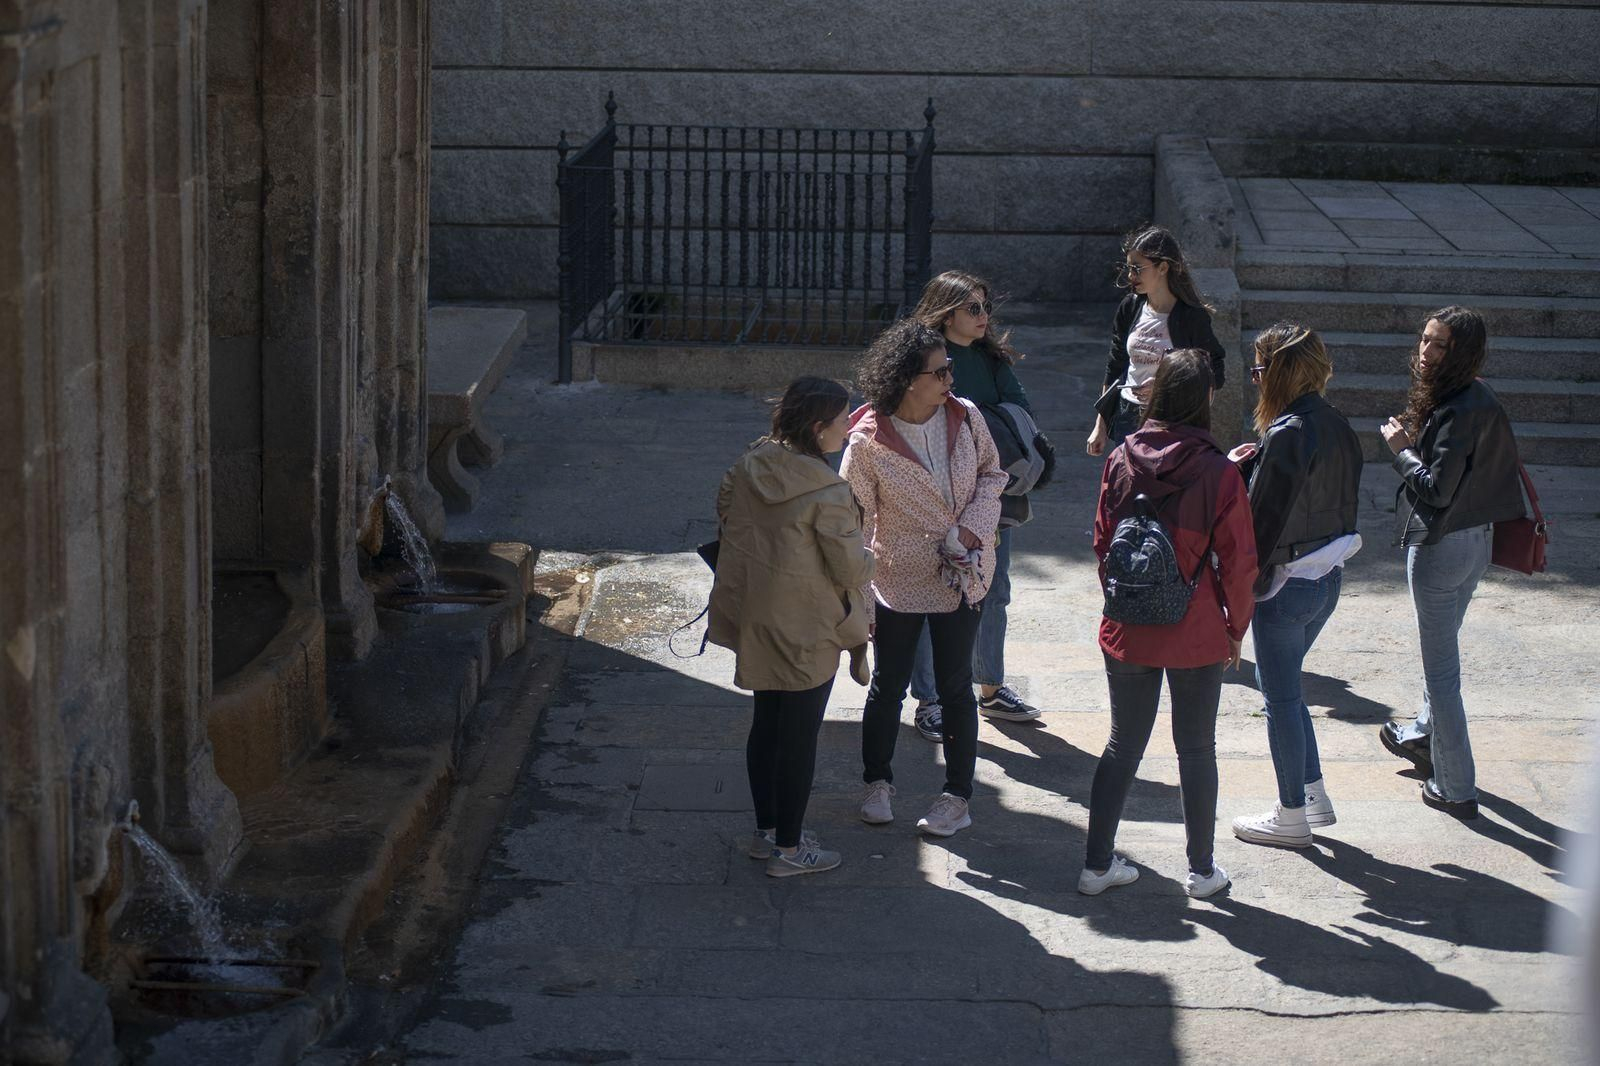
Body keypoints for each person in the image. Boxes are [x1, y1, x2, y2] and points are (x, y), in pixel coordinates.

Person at [1080, 348, 1257, 898]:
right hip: (1197, 625)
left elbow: (1102, 541)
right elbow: (1240, 561)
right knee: (1196, 748)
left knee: (1121, 746)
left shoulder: (1120, 458)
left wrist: (1126, 596)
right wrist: (1236, 628)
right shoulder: (1221, 471)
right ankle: (1202, 871)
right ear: (1206, 398)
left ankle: (1096, 864)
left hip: (1129, 623)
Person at [842, 319, 1007, 837]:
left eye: (949, 368)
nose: (949, 379)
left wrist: (972, 532)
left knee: (956, 687)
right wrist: (860, 596)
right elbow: (855, 522)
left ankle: (956, 797)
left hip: (963, 573)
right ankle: (877, 784)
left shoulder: (967, 416)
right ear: (909, 379)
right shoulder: (867, 440)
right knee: (888, 685)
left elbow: (992, 477)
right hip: (896, 578)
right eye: (940, 371)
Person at [708, 377, 876, 877]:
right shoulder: (828, 491)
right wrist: (873, 558)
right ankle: (790, 849)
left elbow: (724, 515)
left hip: (758, 613)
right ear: (818, 427)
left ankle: (766, 832)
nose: (848, 430)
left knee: (767, 725)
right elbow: (848, 570)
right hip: (808, 625)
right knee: (800, 737)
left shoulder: (749, 463)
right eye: (843, 420)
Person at [1378, 306, 1526, 820]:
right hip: (1477, 541)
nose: (1425, 352)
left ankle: (1457, 786)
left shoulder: (1460, 407)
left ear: (1461, 353)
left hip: (1443, 547)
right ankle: (1422, 735)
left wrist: (1401, 451)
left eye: (1439, 345)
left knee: (1442, 673)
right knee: (1441, 653)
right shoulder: (1478, 397)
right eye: (1423, 340)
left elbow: (1437, 490)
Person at [1226, 324, 1363, 849]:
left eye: (1260, 369)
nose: (1257, 380)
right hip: (1326, 578)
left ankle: (1290, 814)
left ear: (1279, 371)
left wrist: (1236, 603)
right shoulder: (1336, 424)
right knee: (1287, 691)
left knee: (1280, 696)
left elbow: (1261, 527)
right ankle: (1312, 793)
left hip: (1285, 586)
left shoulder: (1288, 432)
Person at [903, 271, 1041, 743]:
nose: (984, 317)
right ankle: (930, 699)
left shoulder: (989, 357)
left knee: (992, 589)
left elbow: (1019, 411)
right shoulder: (918, 356)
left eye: (985, 307)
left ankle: (991, 685)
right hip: (932, 494)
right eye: (973, 309)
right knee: (930, 594)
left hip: (989, 493)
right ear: (946, 314)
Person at [1086, 224, 1226, 457]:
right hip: (1126, 415)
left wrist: (1164, 389)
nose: (1131, 276)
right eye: (1128, 268)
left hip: (1169, 420)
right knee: (1126, 487)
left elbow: (1214, 372)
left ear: (1163, 267)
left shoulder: (1191, 317)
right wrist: (1100, 426)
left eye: (1137, 268)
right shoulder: (1130, 307)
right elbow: (1115, 366)